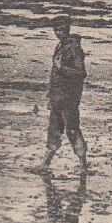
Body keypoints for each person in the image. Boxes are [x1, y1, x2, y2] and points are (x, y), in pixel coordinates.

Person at [36, 15, 88, 171]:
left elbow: (81, 73)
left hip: (69, 99)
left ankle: (83, 166)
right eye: (56, 30)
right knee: (54, 130)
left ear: (68, 29)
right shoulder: (60, 46)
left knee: (72, 130)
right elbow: (54, 75)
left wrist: (61, 68)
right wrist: (50, 95)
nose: (59, 33)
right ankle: (44, 165)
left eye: (62, 29)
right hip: (57, 98)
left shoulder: (75, 49)